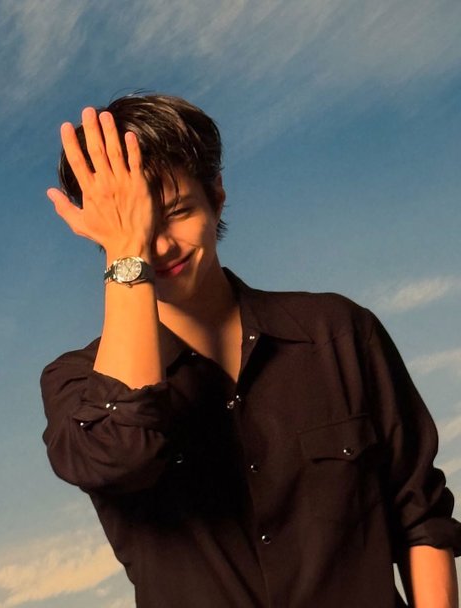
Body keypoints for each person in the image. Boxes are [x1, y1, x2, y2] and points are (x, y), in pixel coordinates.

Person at [41, 93, 461, 608]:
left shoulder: (339, 332)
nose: (161, 247)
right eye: (138, 227)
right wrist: (128, 254)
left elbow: (420, 516)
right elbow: (122, 454)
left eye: (177, 213)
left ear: (216, 195)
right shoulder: (77, 385)